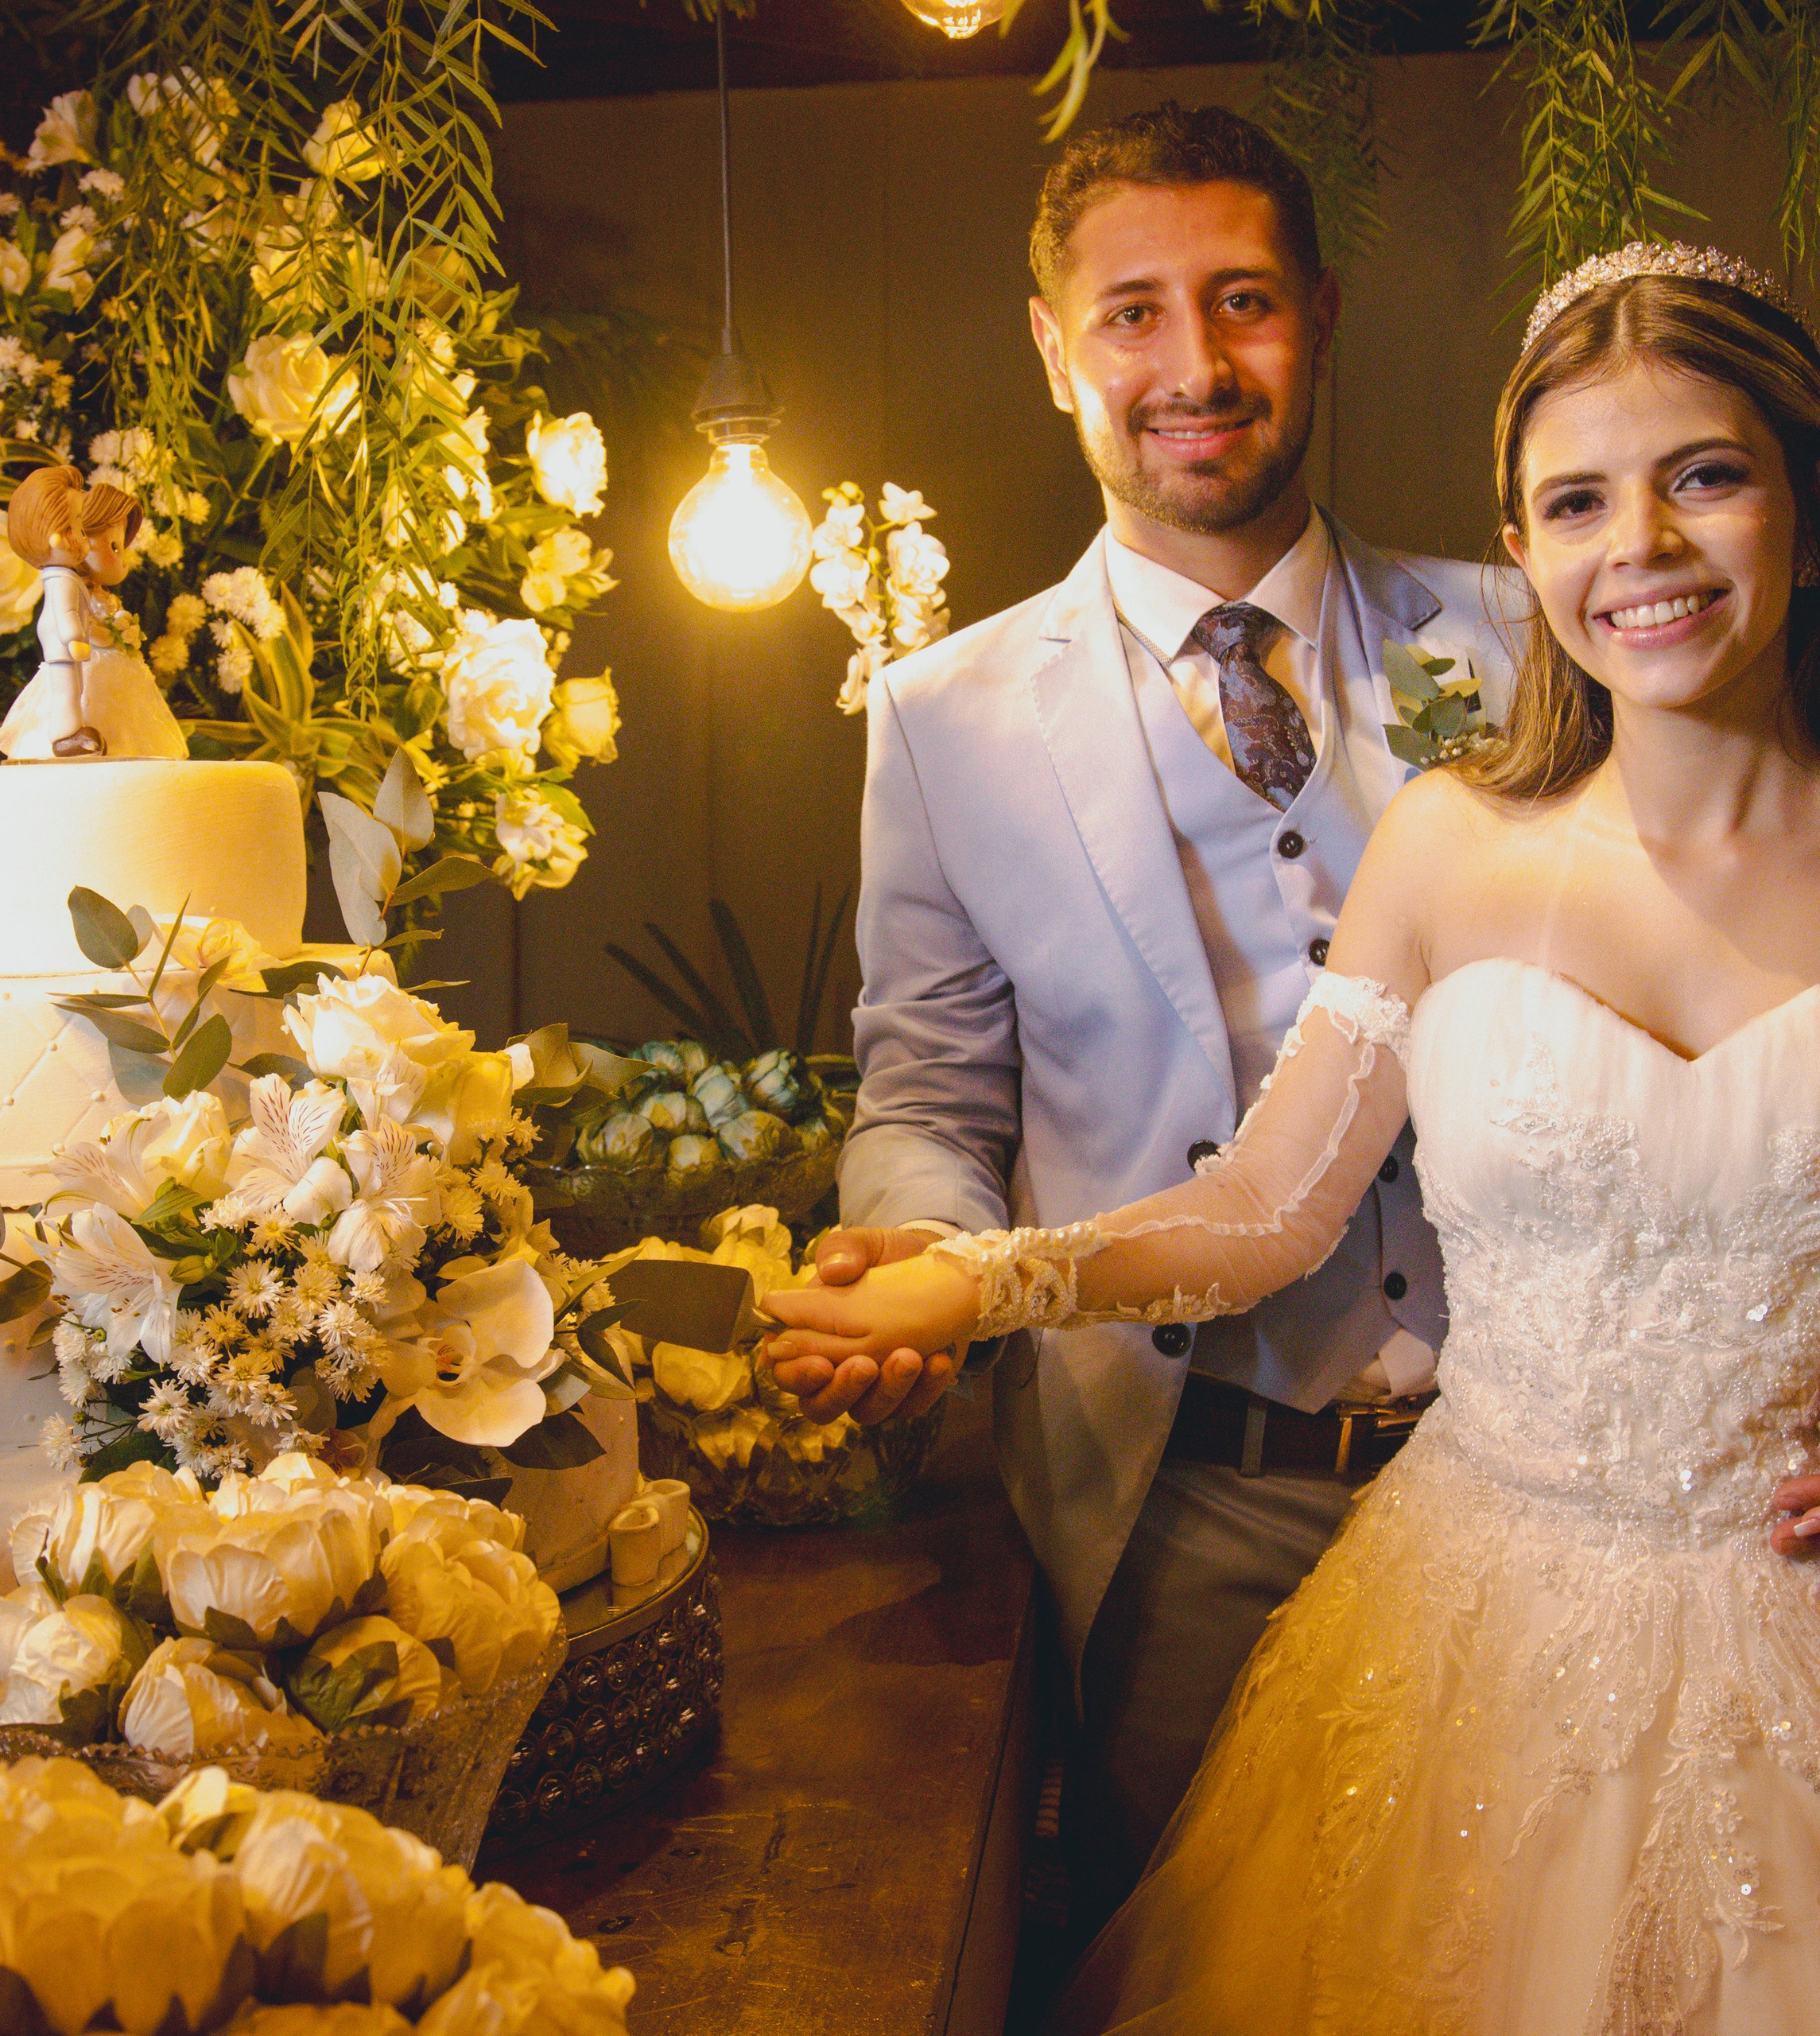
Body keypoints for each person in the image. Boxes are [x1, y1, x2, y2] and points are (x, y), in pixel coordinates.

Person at [766, 243, 1820, 2029]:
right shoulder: (1449, 845)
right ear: (1524, 540)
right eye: (1572, 498)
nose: (1634, 543)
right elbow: (1268, 1204)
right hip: (1471, 1631)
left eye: (1701, 474)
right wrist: (980, 1278)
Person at [769, 101, 1518, 1916]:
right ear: (1052, 349)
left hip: (1537, 1476)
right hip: (1190, 1505)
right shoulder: (940, 718)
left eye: (1239, 299)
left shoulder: (1525, 640)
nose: (1190, 363)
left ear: (1318, 317)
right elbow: (931, 1098)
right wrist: (919, 1263)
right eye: (1131, 313)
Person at [0, 463, 188, 762]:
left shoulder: (82, 585)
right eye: (113, 545)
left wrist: (120, 631)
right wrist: (87, 635)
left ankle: (76, 736)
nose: (81, 541)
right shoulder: (61, 578)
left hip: (86, 650)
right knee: (70, 691)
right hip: (78, 650)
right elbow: (68, 614)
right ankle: (65, 735)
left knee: (83, 694)